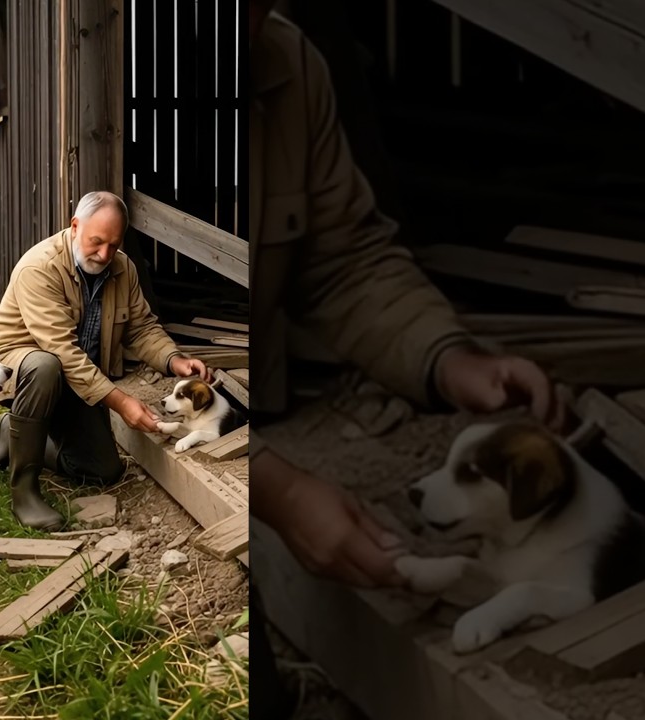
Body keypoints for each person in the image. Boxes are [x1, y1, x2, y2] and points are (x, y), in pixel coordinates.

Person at [245, 2, 565, 717]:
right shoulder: (103, 85)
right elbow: (124, 353)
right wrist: (277, 492)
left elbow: (346, 262)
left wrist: (451, 360)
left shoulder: (286, 61)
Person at [0, 191, 211, 531]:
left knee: (103, 469)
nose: (104, 254)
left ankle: (11, 433)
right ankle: (24, 493)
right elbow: (61, 350)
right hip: (20, 370)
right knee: (47, 365)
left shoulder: (123, 269)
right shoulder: (40, 267)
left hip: (77, 379)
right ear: (75, 226)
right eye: (96, 242)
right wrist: (120, 402)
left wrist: (174, 359)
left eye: (113, 245)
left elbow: (142, 327)